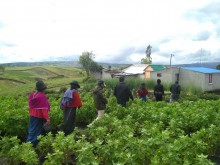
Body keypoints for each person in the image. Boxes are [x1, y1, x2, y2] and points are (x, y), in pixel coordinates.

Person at [26, 80, 50, 147]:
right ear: (43, 89)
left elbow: (31, 106)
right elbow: (44, 110)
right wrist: (47, 119)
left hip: (32, 116)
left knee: (32, 130)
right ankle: (31, 146)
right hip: (39, 117)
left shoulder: (32, 94)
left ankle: (28, 145)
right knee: (37, 132)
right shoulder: (42, 96)